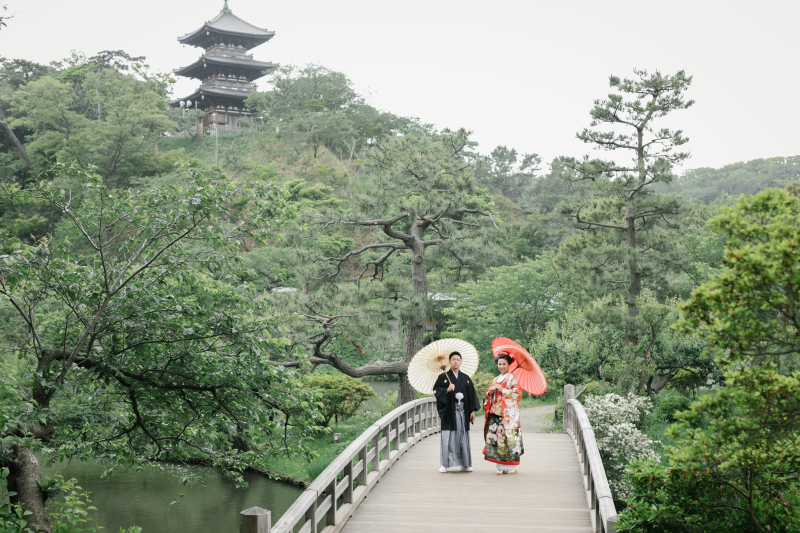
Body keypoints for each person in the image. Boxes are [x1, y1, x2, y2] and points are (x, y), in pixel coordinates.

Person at [432, 351, 481, 473]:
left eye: (458, 359)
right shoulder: (443, 377)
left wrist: (473, 411)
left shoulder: (466, 378)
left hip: (463, 412)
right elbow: (436, 391)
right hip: (449, 412)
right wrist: (446, 390)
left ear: (461, 362)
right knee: (448, 437)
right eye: (453, 359)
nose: (455, 362)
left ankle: (465, 463)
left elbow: (472, 396)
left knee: (463, 436)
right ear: (449, 362)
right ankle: (444, 464)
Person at [483, 352, 524, 474]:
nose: (501, 366)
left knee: (508, 439)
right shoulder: (496, 379)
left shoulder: (511, 378)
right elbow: (489, 394)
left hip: (507, 415)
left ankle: (511, 467)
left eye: (504, 364)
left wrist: (504, 390)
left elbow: (517, 393)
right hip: (495, 412)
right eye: (499, 364)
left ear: (509, 364)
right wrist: (490, 392)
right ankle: (500, 466)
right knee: (497, 439)